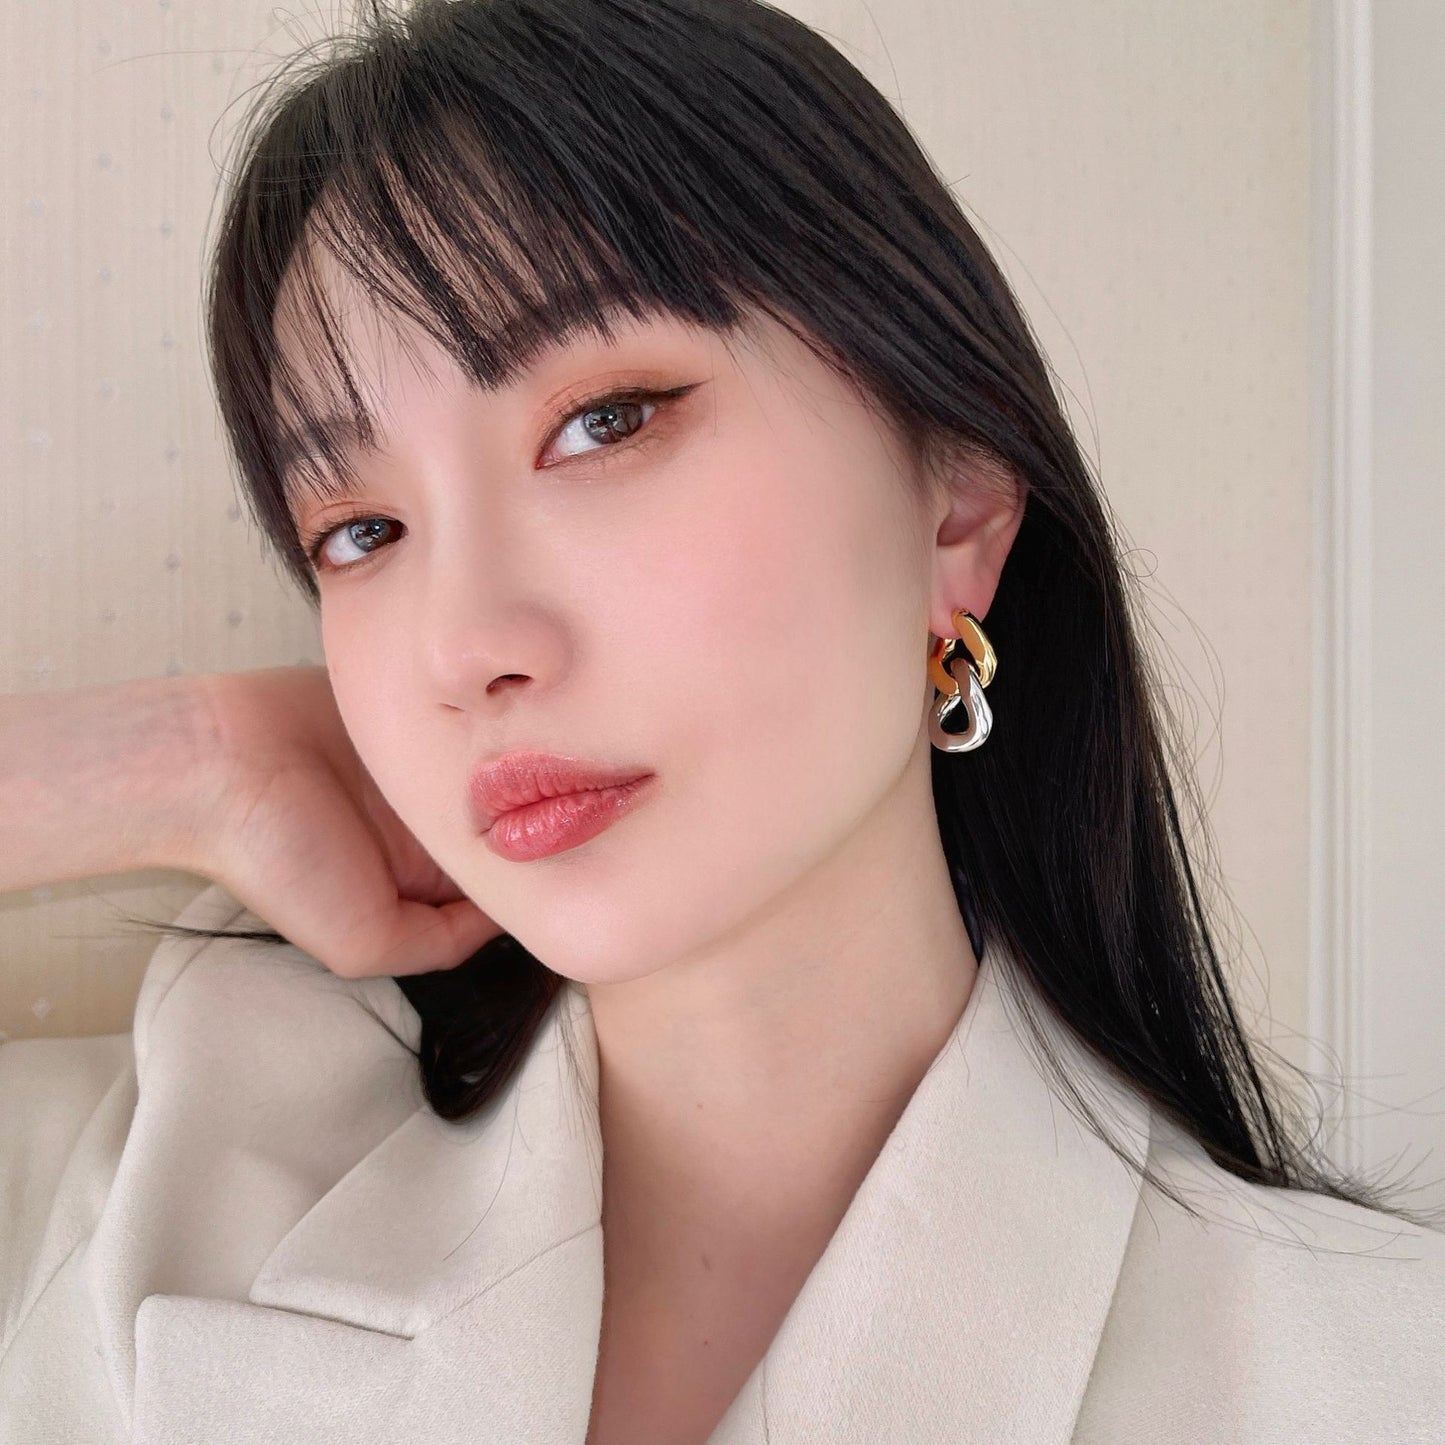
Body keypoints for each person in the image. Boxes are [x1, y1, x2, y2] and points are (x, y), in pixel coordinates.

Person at [3, 0, 1442, 1441]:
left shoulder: (1368, 1373)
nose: (464, 646)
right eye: (362, 531)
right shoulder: (177, 1191)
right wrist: (180, 763)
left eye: (605, 422)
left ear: (954, 503)